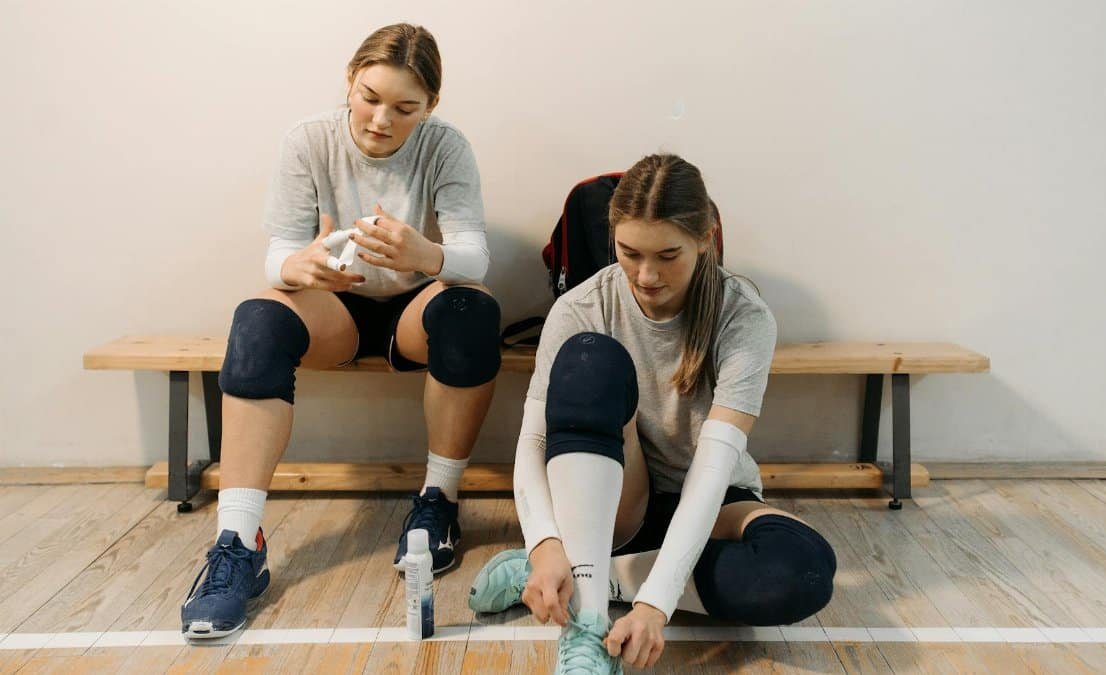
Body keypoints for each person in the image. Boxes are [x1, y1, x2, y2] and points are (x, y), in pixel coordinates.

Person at [181, 23, 499, 639]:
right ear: (349, 82)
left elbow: (474, 258)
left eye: (405, 108)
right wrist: (297, 266)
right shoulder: (308, 139)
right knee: (258, 316)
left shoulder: (447, 146)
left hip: (414, 309)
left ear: (430, 106)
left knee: (472, 308)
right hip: (335, 311)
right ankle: (237, 540)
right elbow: (275, 255)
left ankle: (438, 504)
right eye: (369, 97)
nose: (381, 119)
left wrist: (423, 255)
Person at [468, 154, 836, 672]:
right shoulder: (579, 308)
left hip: (710, 500)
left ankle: (595, 575)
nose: (646, 274)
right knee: (589, 357)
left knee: (805, 571)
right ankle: (588, 627)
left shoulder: (744, 316)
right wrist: (544, 543)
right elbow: (533, 441)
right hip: (617, 499)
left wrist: (654, 603)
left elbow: (711, 471)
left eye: (668, 255)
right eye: (629, 252)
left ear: (706, 237)